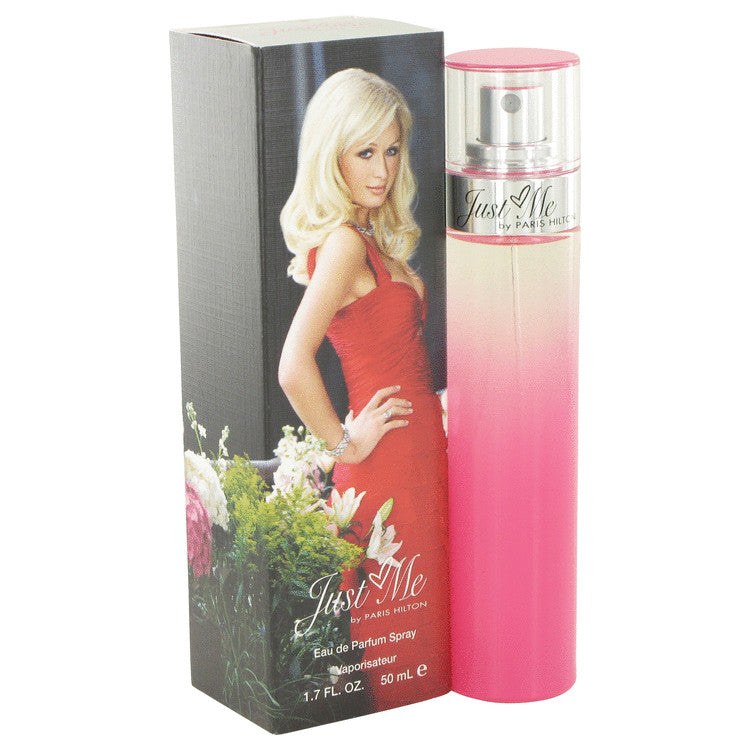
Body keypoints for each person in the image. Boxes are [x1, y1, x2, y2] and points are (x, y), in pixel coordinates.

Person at [278, 68, 449, 711]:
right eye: (365, 152)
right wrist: (345, 445)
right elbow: (293, 366)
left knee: (428, 640)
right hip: (389, 470)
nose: (382, 170)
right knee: (411, 655)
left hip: (421, 460)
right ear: (334, 155)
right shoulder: (346, 244)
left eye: (392, 150)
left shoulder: (370, 239)